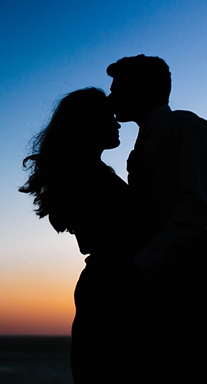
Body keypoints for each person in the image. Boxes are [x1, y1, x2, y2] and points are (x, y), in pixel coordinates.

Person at [107, 54, 207, 383]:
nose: (111, 98)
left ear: (142, 89)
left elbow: (199, 204)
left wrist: (143, 262)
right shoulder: (146, 140)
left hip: (201, 273)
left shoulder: (182, 125)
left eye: (118, 89)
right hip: (174, 274)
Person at [19, 88, 135, 383]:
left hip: (106, 282)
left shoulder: (85, 172)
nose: (117, 123)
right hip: (111, 286)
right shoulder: (87, 176)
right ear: (90, 124)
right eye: (109, 118)